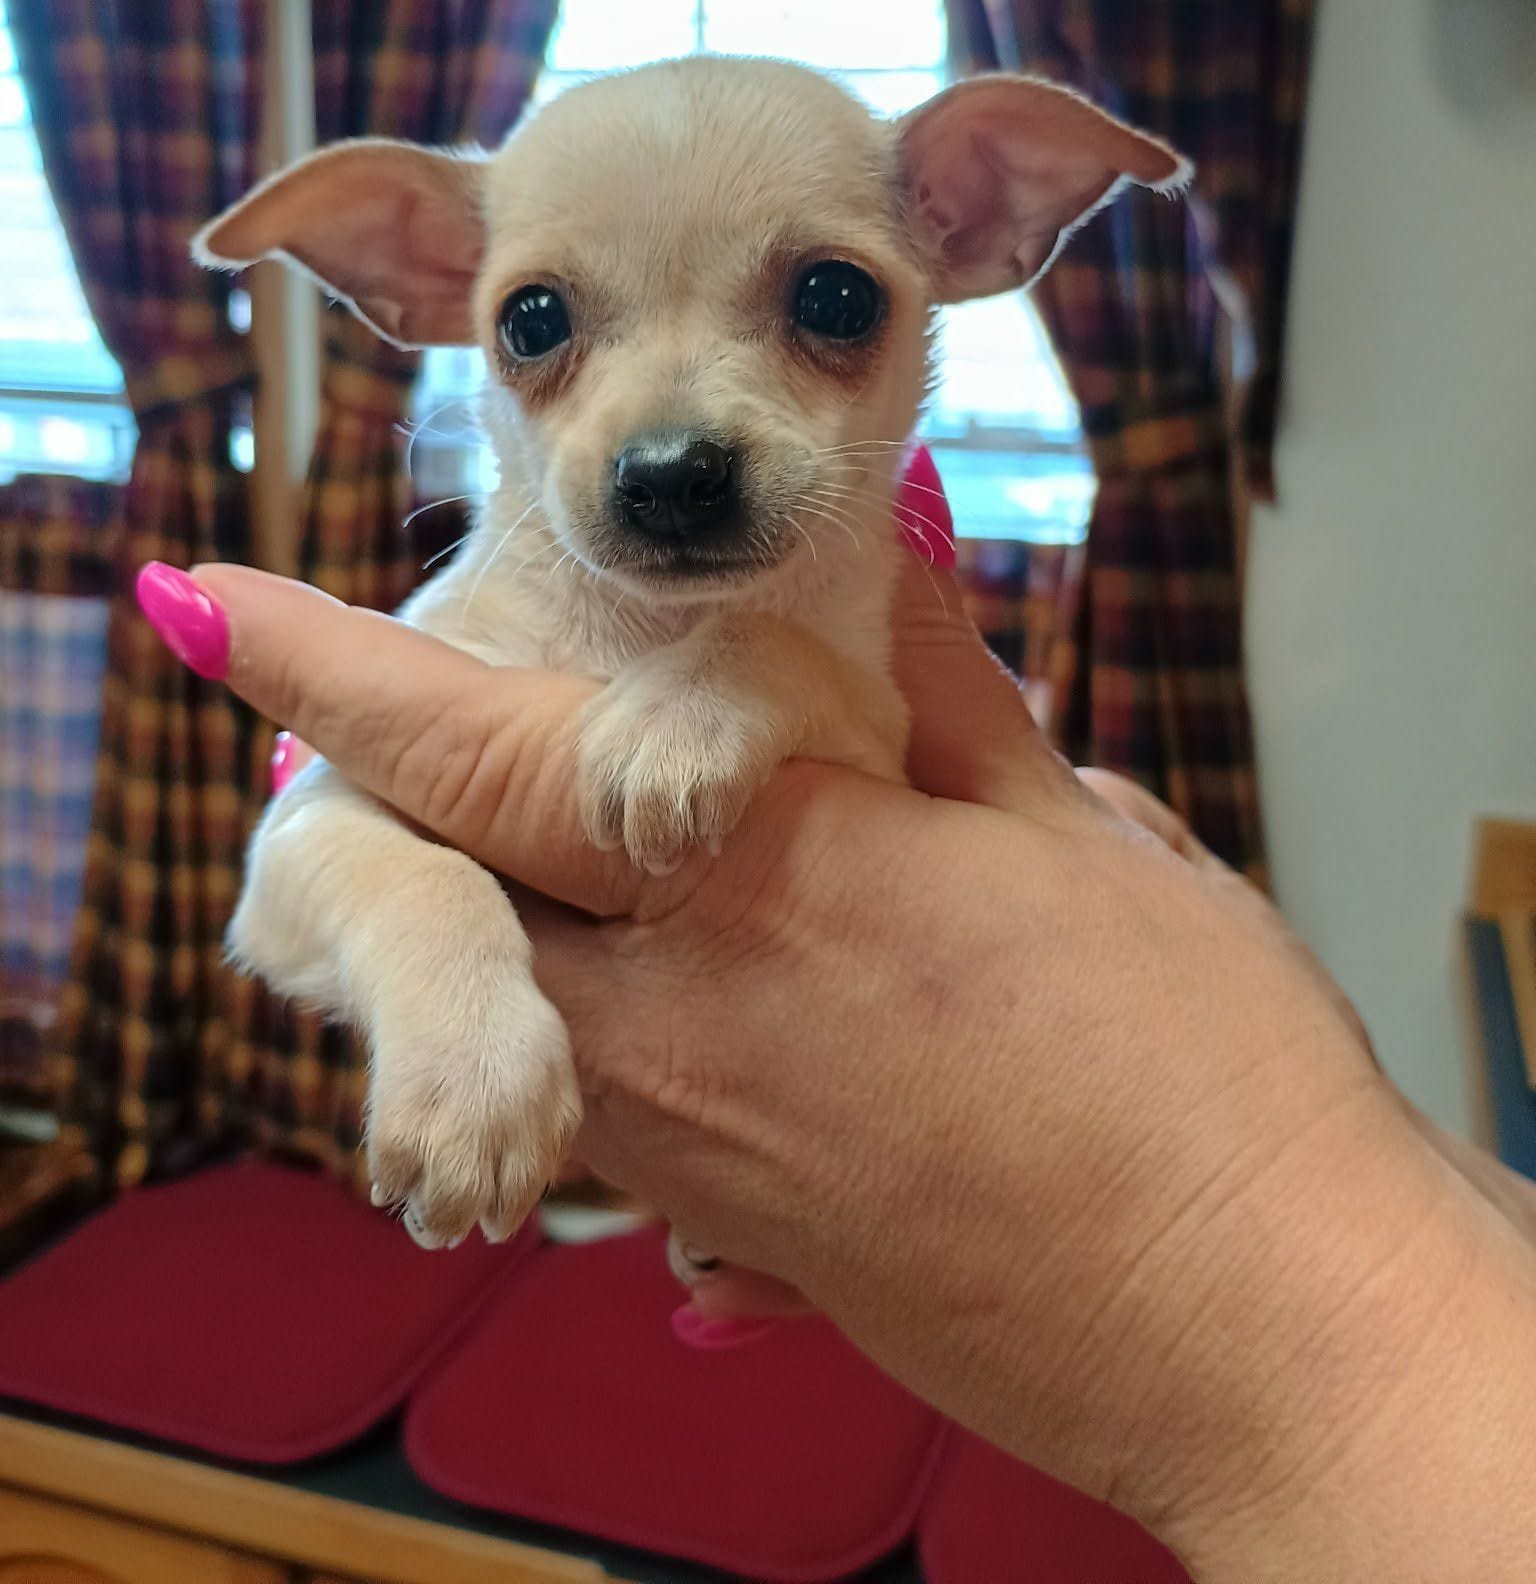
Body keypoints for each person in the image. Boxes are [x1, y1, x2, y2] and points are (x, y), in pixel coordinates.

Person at [137, 551, 1536, 1582]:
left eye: (825, 307)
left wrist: (1257, 1202)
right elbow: (286, 892)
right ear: (419, 282)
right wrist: (434, 942)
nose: (677, 427)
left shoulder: (843, 618)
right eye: (545, 325)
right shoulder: (480, 606)